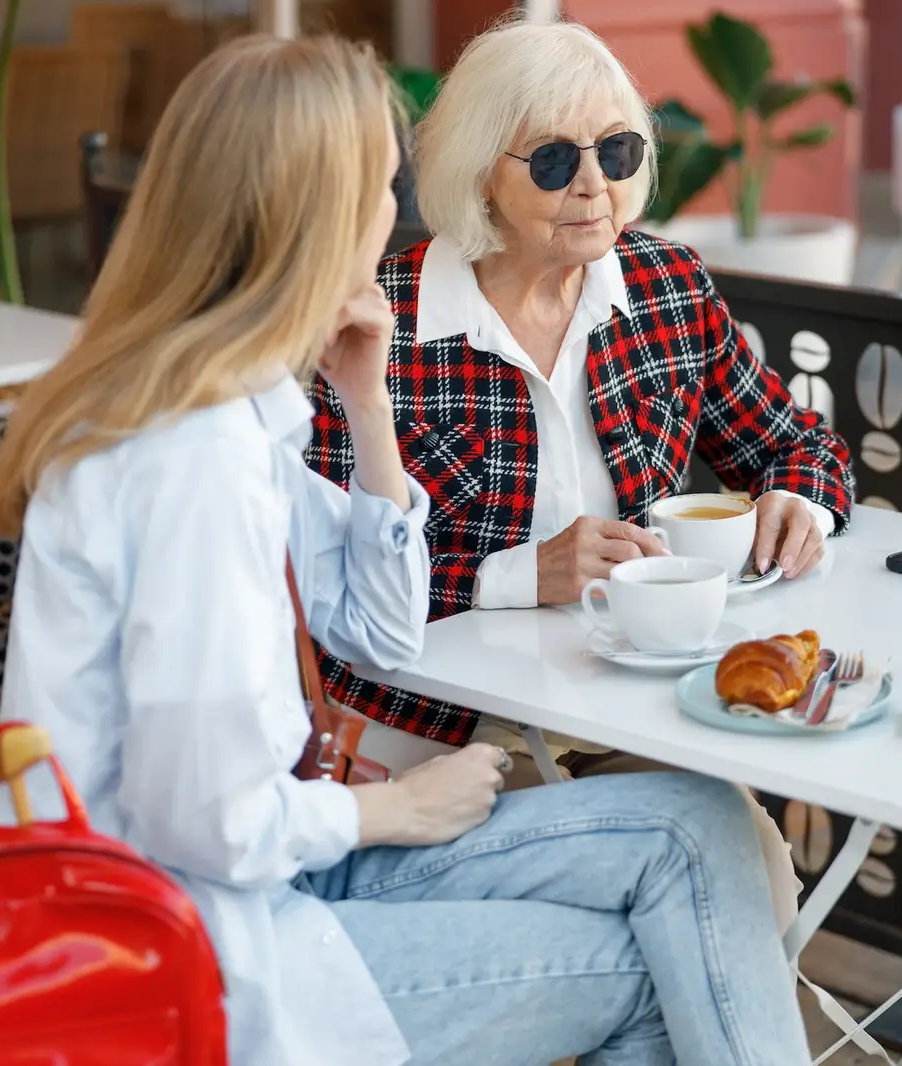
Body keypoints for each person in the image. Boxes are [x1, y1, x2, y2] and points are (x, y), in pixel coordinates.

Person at [0, 33, 811, 1066]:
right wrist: (391, 806)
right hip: (195, 948)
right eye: (379, 187)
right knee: (663, 957)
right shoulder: (190, 462)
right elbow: (204, 818)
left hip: (285, 865)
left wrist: (367, 405)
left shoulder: (235, 409)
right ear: (312, 215)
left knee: (704, 828)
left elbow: (371, 621)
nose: (393, 219)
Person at [304, 19, 853, 927]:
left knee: (753, 876)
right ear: (482, 168)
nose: (596, 184)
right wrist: (525, 574)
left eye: (620, 150)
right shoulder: (377, 323)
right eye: (555, 160)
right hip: (435, 729)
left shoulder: (664, 285)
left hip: (631, 707)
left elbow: (796, 445)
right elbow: (325, 582)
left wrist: (799, 502)